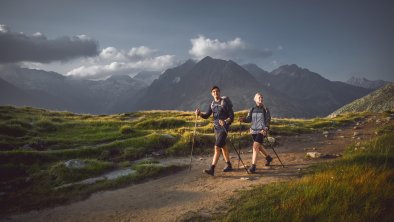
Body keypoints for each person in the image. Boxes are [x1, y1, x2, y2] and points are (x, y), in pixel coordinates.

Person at [195, 86, 234, 176]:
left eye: (217, 91)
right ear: (211, 94)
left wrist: (225, 121)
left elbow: (232, 116)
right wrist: (200, 113)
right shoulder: (212, 104)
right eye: (214, 92)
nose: (215, 93)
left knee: (217, 147)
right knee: (223, 147)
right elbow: (207, 116)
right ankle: (229, 165)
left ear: (219, 92)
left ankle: (212, 168)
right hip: (216, 128)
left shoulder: (224, 103)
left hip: (224, 128)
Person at [239, 93, 273, 173]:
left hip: (261, 131)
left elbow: (268, 120)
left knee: (255, 147)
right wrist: (243, 119)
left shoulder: (265, 109)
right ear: (255, 99)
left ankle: (253, 167)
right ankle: (268, 158)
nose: (261, 98)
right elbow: (249, 119)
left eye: (261, 97)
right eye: (259, 97)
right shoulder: (252, 109)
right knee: (259, 147)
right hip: (253, 131)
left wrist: (266, 129)